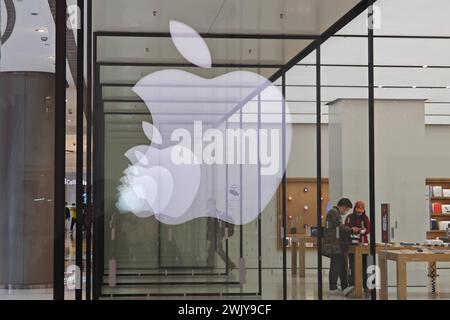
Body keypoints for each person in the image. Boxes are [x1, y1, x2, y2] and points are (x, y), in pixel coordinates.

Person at [322, 198, 360, 296]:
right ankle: (333, 287)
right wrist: (352, 229)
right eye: (347, 209)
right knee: (336, 264)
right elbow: (340, 227)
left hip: (334, 244)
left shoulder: (333, 212)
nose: (346, 212)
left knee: (342, 263)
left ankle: (345, 287)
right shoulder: (335, 213)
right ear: (343, 206)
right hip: (332, 245)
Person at [345, 200, 371, 292]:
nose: (359, 213)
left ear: (363, 210)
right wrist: (352, 230)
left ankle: (366, 286)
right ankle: (352, 285)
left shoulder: (365, 218)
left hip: (363, 244)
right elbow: (345, 228)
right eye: (357, 211)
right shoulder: (349, 217)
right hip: (352, 244)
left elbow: (368, 229)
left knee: (365, 265)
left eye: (361, 211)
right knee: (352, 265)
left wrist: (361, 230)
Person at [206, 199, 237, 270]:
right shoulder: (210, 214)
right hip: (214, 235)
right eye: (208, 205)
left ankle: (210, 266)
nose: (208, 206)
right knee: (219, 250)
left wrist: (224, 234)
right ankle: (230, 265)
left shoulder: (218, 214)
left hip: (218, 235)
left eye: (210, 205)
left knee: (211, 250)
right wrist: (208, 235)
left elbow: (221, 225)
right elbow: (209, 226)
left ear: (213, 205)